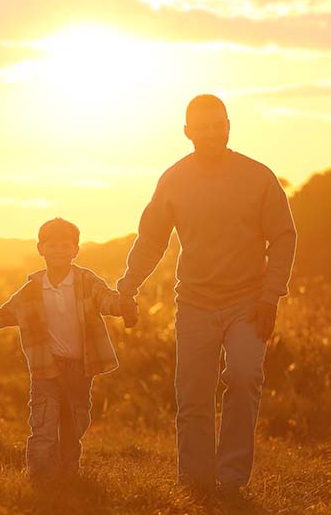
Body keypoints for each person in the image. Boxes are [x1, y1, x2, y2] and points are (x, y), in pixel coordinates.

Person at [116, 94, 297, 492]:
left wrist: (271, 296)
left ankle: (231, 482)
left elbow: (283, 237)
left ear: (229, 125)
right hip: (195, 304)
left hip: (249, 303)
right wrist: (127, 286)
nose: (215, 132)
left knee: (245, 376)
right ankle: (196, 484)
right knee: (193, 396)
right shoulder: (174, 180)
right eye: (205, 127)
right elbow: (151, 240)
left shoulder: (257, 176)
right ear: (187, 132)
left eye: (221, 124)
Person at [0, 218, 125, 479]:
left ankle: (68, 478)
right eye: (52, 245)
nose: (59, 251)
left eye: (66, 246)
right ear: (40, 248)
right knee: (43, 426)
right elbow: (0, 316)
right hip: (47, 369)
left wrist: (123, 306)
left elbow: (107, 299)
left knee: (74, 428)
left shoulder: (87, 281)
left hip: (80, 369)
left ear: (76, 250)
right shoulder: (31, 290)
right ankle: (39, 481)